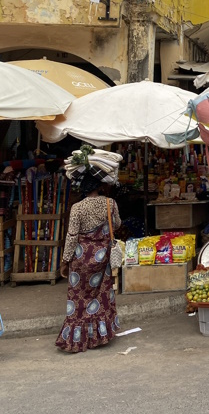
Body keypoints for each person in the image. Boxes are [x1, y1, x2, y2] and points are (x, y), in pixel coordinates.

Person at [57, 145, 123, 353]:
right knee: (101, 296)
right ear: (100, 185)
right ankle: (99, 336)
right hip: (102, 258)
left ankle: (77, 338)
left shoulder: (77, 208)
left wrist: (65, 260)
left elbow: (71, 236)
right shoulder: (110, 204)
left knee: (79, 299)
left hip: (80, 259)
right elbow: (118, 225)